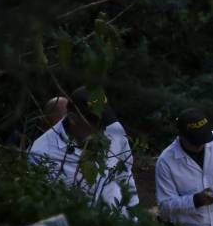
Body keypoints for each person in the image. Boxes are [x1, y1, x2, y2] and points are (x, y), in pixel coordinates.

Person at [28, 86, 139, 215]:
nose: (102, 129)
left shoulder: (113, 128)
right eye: (94, 122)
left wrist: (134, 212)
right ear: (73, 118)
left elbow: (124, 174)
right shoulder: (41, 152)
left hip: (120, 222)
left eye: (103, 122)